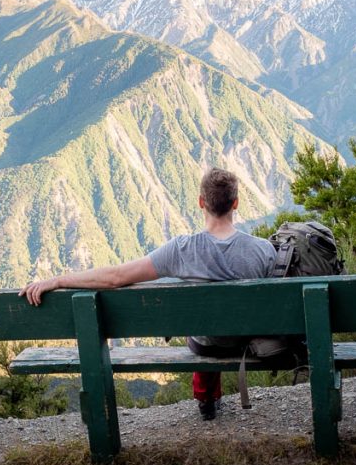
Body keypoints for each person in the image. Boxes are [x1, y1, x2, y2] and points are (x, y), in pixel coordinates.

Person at [19, 167, 276, 420]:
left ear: (201, 202)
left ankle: (207, 399)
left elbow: (116, 277)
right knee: (225, 318)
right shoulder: (263, 250)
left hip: (206, 344)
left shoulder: (181, 250)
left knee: (204, 328)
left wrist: (59, 280)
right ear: (236, 203)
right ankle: (210, 393)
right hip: (244, 340)